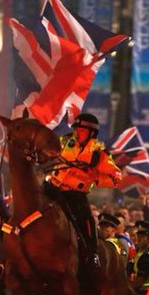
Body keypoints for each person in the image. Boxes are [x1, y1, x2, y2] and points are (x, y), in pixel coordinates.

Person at [44, 113, 122, 270]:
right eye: (76, 129)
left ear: (91, 133)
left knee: (87, 220)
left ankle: (93, 253)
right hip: (52, 187)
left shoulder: (99, 153)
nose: (77, 132)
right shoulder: (65, 141)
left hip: (74, 195)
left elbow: (117, 178)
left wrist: (96, 177)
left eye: (81, 130)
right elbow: (49, 151)